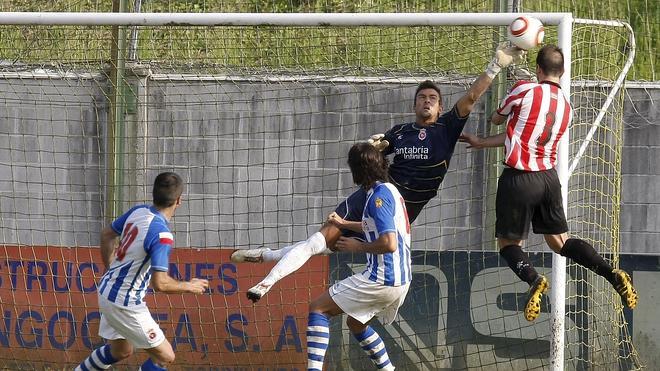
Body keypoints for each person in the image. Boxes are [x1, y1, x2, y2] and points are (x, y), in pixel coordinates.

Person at [232, 44, 526, 302]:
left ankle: (267, 255)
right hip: (374, 195)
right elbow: (371, 161)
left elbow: (472, 97)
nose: (426, 100)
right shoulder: (399, 132)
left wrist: (496, 64)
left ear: (440, 107)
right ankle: (265, 283)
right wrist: (373, 146)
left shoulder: (446, 129)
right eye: (422, 97)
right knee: (318, 242)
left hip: (399, 210)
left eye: (432, 98)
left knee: (327, 248)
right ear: (414, 104)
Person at [458, 45, 637, 321]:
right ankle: (610, 272)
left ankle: (533, 280)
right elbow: (523, 136)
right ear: (562, 72)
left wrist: (503, 109)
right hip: (548, 180)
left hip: (519, 177)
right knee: (560, 242)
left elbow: (497, 121)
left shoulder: (524, 89)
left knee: (508, 244)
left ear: (538, 70)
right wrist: (482, 143)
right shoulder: (567, 107)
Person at [76, 172, 209, 371]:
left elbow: (107, 234)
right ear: (179, 201)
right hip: (125, 303)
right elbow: (160, 283)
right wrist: (190, 286)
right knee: (164, 356)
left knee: (120, 351)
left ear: (153, 194)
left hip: (106, 290)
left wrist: (111, 266)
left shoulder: (138, 211)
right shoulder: (162, 235)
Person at [306, 142, 410, 371]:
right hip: (401, 281)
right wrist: (344, 224)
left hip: (382, 278)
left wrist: (356, 246)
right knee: (355, 322)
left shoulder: (377, 198)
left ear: (356, 171)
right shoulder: (390, 191)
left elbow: (389, 243)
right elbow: (376, 225)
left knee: (318, 308)